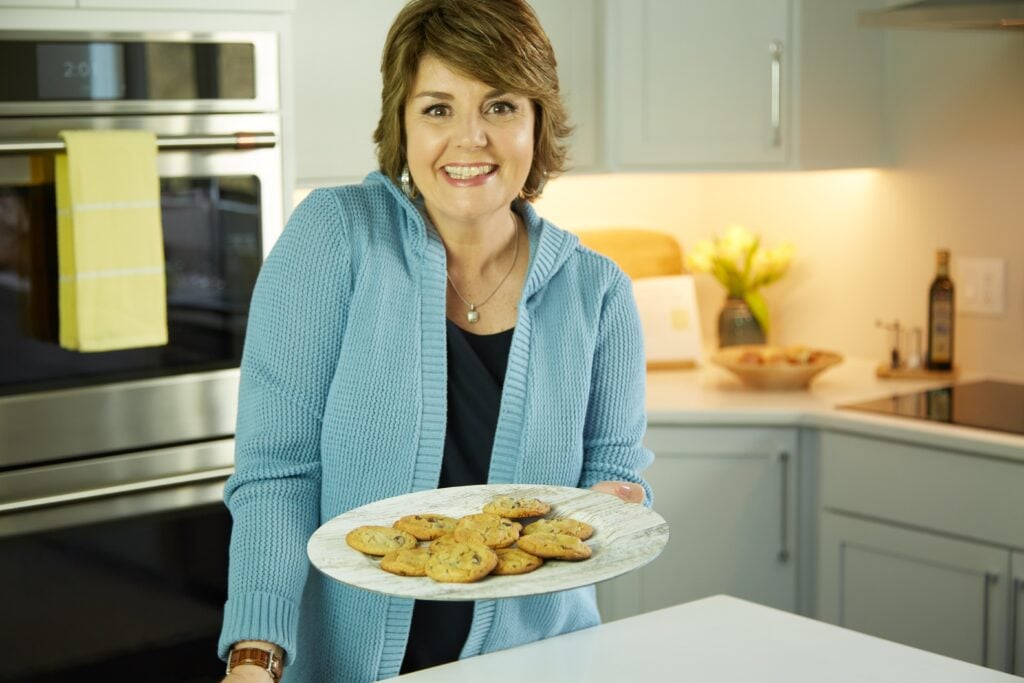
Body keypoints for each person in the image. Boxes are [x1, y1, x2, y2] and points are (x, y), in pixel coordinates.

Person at [218, 0, 653, 680]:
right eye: (438, 109)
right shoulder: (334, 239)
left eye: (501, 106)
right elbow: (278, 475)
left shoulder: (599, 294)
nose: (469, 139)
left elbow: (614, 473)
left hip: (544, 663)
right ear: (402, 122)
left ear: (538, 120)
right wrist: (255, 655)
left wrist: (614, 501)